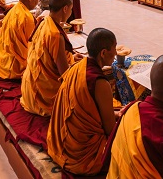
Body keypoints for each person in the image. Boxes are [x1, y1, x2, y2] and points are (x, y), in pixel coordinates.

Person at [47, 28, 118, 176]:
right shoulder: (100, 83)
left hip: (60, 141)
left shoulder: (77, 67)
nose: (116, 53)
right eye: (114, 48)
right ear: (103, 53)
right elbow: (110, 130)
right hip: (83, 156)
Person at [20, 0, 82, 116]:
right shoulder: (55, 35)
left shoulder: (43, 21)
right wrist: (80, 65)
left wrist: (71, 57)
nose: (70, 13)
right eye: (70, 9)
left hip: (28, 89)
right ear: (65, 9)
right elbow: (64, 73)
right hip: (43, 97)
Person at [0, 0, 41, 79]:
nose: (38, 1)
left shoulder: (15, 8)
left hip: (2, 61)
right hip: (14, 67)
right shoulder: (27, 17)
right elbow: (32, 45)